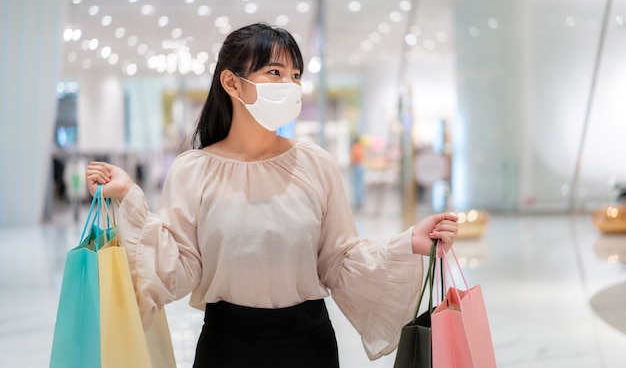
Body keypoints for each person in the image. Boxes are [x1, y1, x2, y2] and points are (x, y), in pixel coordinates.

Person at [86, 22, 458, 368]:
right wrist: (127, 196)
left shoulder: (315, 164)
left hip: (308, 345)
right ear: (232, 83)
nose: (290, 85)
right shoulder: (193, 170)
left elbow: (339, 261)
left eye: (295, 76)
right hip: (225, 346)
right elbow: (180, 265)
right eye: (275, 73)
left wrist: (409, 241)